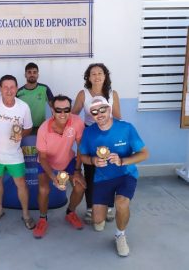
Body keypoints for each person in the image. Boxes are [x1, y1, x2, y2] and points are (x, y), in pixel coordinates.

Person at [79, 96, 149, 257]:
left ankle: (120, 235)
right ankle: (105, 207)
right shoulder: (89, 132)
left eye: (103, 109)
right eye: (95, 112)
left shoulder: (126, 128)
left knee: (122, 203)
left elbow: (144, 153)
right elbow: (82, 156)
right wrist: (93, 160)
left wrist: (123, 160)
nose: (100, 114)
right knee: (97, 222)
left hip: (126, 174)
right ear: (91, 115)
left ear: (110, 108)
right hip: (102, 178)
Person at [0, 74, 36, 230]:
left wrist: (21, 135)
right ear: (0, 88)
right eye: (5, 87)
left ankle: (26, 214)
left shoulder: (23, 107)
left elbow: (28, 128)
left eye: (12, 87)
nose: (9, 90)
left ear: (17, 88)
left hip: (14, 154)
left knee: (21, 183)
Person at [72, 63, 121, 224]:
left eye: (100, 73)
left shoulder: (112, 94)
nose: (97, 76)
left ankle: (107, 207)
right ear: (88, 77)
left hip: (108, 136)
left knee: (109, 173)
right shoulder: (83, 94)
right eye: (93, 73)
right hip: (90, 137)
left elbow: (118, 118)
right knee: (91, 173)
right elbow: (73, 116)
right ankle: (91, 208)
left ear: (105, 76)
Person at [33, 95, 86, 239]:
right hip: (47, 163)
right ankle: (43, 219)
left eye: (66, 110)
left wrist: (77, 171)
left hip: (68, 160)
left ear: (70, 110)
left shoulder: (77, 122)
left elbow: (81, 147)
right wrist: (53, 177)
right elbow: (42, 158)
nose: (62, 114)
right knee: (44, 190)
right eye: (58, 110)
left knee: (80, 186)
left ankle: (70, 212)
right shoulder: (43, 129)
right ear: (52, 110)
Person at [16, 62, 54, 133]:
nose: (32, 74)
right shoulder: (18, 92)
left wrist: (54, 124)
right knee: (25, 144)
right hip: (23, 128)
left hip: (40, 128)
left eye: (34, 72)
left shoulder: (44, 89)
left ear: (38, 75)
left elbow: (54, 107)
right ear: (25, 75)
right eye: (29, 72)